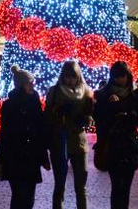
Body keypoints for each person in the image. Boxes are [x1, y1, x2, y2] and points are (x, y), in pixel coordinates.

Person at [0, 66, 50, 209]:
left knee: (29, 196)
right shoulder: (9, 105)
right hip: (15, 156)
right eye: (30, 82)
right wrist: (0, 161)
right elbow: (5, 135)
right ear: (22, 84)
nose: (33, 85)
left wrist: (44, 158)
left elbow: (40, 131)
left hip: (31, 157)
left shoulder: (34, 101)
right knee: (18, 195)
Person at [94, 61, 138, 209]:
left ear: (128, 76)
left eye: (122, 75)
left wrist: (125, 112)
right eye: (117, 76)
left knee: (126, 188)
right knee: (116, 186)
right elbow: (98, 118)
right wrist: (111, 107)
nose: (120, 79)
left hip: (129, 144)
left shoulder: (136, 94)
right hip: (113, 145)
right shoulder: (103, 94)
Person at [45, 60, 94, 209]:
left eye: (73, 77)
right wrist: (58, 114)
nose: (70, 80)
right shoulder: (54, 91)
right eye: (67, 77)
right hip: (60, 142)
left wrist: (86, 119)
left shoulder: (86, 91)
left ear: (78, 76)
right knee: (60, 186)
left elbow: (91, 118)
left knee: (81, 187)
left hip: (79, 142)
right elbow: (46, 118)